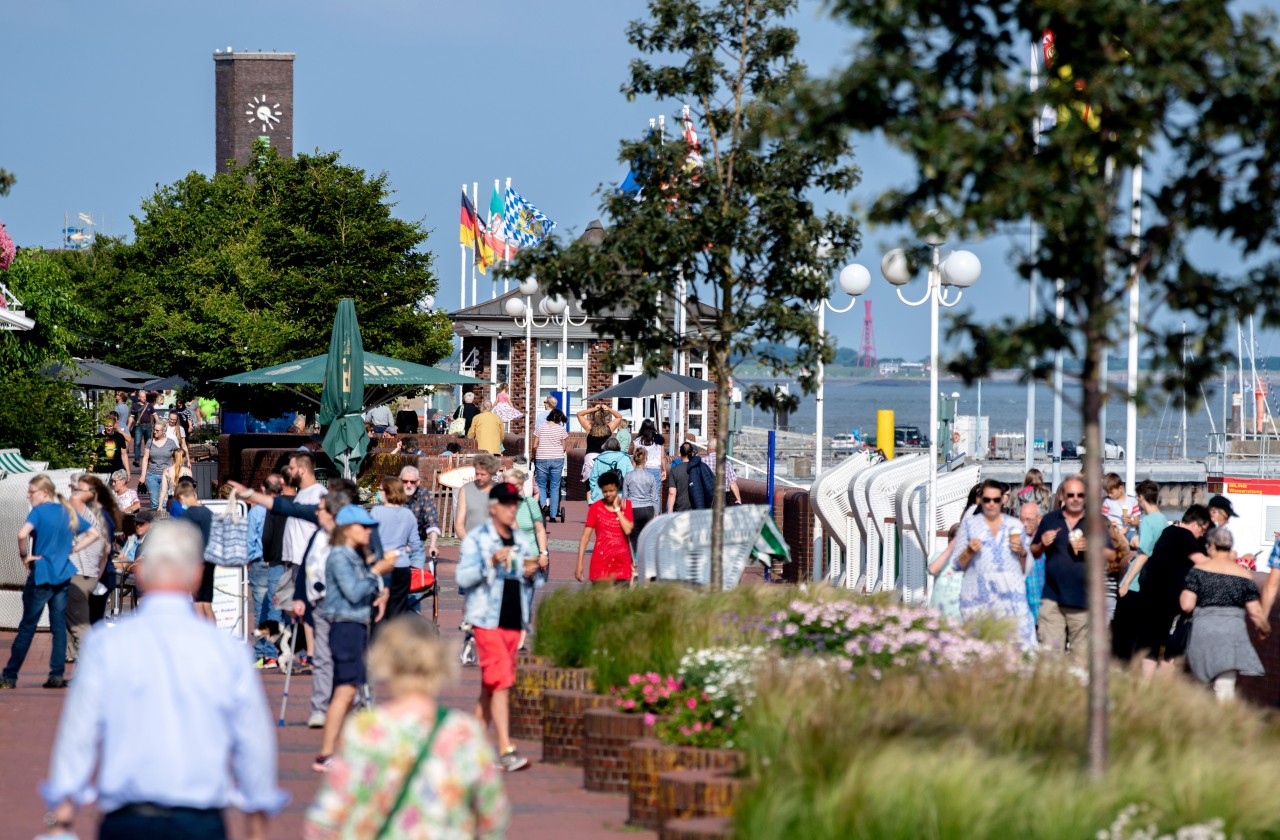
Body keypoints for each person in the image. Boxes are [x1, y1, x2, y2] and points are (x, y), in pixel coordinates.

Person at [40, 518, 288, 840]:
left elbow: (79, 733)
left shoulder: (105, 644)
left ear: (142, 573)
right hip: (201, 819)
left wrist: (63, 813)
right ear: (197, 575)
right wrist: (257, 818)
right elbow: (253, 740)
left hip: (127, 818)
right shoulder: (226, 651)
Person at [304, 616, 509, 839]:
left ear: (386, 662)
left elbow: (324, 821)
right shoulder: (465, 733)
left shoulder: (365, 732)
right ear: (440, 663)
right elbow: (493, 817)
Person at [456, 482, 548, 772]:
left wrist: (529, 571)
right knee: (502, 683)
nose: (512, 509)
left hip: (511, 620)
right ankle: (505, 749)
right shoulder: (477, 539)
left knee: (491, 686)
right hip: (486, 620)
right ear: (493, 507)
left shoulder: (520, 540)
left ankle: (466, 750)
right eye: (507, 504)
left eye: (515, 504)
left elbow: (522, 579)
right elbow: (463, 577)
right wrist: (489, 561)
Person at [314, 505, 398, 772]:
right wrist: (377, 572)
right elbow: (352, 591)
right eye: (363, 527)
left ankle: (337, 748)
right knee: (346, 688)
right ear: (348, 529)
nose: (368, 531)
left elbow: (362, 588)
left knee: (349, 689)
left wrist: (379, 591)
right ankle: (326, 752)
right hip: (345, 624)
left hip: (355, 623)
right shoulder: (340, 556)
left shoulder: (354, 555)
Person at [2, 475, 96, 689]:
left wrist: (24, 556)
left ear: (44, 492)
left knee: (27, 626)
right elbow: (93, 533)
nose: (29, 495)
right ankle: (56, 675)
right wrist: (71, 549)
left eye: (31, 491)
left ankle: (9, 676)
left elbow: (21, 534)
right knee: (58, 625)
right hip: (62, 573)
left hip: (42, 573)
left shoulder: (39, 512)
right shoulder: (67, 511)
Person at [1028, 475, 1114, 658]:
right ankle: (1051, 686)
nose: (1075, 499)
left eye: (1080, 495)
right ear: (1063, 496)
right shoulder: (1050, 520)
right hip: (1052, 598)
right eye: (1071, 495)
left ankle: (1075, 686)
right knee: (1050, 654)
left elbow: (1111, 554)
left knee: (1081, 656)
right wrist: (1042, 543)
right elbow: (1034, 551)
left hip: (1083, 597)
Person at [1120, 504, 1212, 671]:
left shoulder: (1168, 531)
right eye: (1203, 529)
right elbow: (1200, 560)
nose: (1202, 534)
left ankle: (1144, 686)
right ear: (1195, 524)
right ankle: (1163, 689)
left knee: (1150, 645)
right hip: (1169, 602)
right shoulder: (1185, 535)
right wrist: (1227, 566)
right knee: (1170, 650)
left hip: (1151, 597)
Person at [1181, 526, 1268, 702]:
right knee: (1225, 686)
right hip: (1232, 632)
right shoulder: (1243, 574)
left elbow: (1187, 605)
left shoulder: (1200, 570)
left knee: (1200, 682)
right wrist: (1264, 628)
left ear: (1211, 546)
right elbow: (1255, 611)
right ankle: (1225, 724)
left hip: (1203, 629)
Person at [954, 479, 1034, 648]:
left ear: (1002, 500)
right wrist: (969, 551)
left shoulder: (1015, 525)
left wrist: (1021, 552)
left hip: (1008, 601)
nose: (991, 504)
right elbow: (957, 564)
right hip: (977, 601)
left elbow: (1025, 568)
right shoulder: (969, 525)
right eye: (987, 500)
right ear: (981, 499)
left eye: (996, 500)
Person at [66, 474, 118, 654]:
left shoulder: (99, 515)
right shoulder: (88, 513)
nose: (77, 493)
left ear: (93, 493)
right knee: (86, 622)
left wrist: (95, 577)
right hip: (94, 574)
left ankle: (94, 663)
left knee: (91, 624)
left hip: (98, 575)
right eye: (76, 489)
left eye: (81, 490)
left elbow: (105, 549)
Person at [248, 474, 287, 667]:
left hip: (260, 561)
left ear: (263, 490)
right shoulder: (284, 509)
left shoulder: (256, 511)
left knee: (260, 609)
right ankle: (274, 652)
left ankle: (262, 653)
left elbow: (251, 538)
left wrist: (249, 558)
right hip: (279, 562)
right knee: (275, 607)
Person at [372, 477, 423, 622]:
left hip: (382, 565)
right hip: (402, 566)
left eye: (381, 490)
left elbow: (371, 539)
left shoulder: (377, 512)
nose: (380, 493)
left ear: (387, 492)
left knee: (379, 609)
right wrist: (402, 548)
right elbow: (415, 545)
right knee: (399, 610)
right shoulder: (408, 514)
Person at [576, 470, 635, 585]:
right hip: (600, 565)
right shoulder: (596, 508)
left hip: (622, 565)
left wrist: (617, 509)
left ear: (617, 488)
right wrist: (579, 564)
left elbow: (628, 530)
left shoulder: (626, 505)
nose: (608, 494)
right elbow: (585, 538)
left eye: (611, 491)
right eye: (605, 491)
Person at [170, 483, 217, 621]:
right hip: (210, 560)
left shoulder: (187, 515)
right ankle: (214, 638)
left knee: (197, 603)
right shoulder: (208, 512)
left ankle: (201, 638)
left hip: (195, 562)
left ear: (182, 497)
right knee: (207, 603)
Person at [1119, 479, 1168, 597]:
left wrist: (1126, 583)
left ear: (1141, 497)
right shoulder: (1162, 519)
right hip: (1153, 578)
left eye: (1137, 497)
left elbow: (1144, 554)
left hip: (1137, 582)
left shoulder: (1146, 521)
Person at [533, 408, 569, 521]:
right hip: (557, 459)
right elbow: (564, 447)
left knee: (541, 485)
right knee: (555, 486)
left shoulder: (540, 427)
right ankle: (553, 515)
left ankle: (543, 505)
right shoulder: (561, 429)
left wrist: (534, 456)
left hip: (542, 458)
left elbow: (534, 445)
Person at [623, 447, 660, 553]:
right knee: (647, 537)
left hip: (633, 508)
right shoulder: (650, 477)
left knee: (634, 538)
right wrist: (656, 513)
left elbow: (625, 497)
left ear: (634, 459)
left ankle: (635, 561)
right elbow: (654, 498)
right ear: (646, 459)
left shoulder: (629, 476)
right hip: (648, 508)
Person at [455, 453, 500, 540]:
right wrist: (469, 543)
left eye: (483, 474)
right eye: (477, 473)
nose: (479, 477)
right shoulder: (465, 490)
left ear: (492, 473)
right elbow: (459, 524)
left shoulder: (501, 491)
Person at [139, 422, 180, 512]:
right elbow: (145, 459)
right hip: (152, 475)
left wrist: (174, 472)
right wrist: (143, 476)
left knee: (164, 502)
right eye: (154, 430)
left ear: (163, 431)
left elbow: (177, 457)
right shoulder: (150, 442)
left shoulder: (171, 442)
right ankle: (156, 523)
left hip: (166, 475)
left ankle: (164, 523)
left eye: (157, 430)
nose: (154, 432)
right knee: (154, 502)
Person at [666, 442, 716, 513]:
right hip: (698, 509)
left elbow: (672, 493)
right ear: (692, 453)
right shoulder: (702, 466)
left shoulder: (674, 470)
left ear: (680, 453)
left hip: (681, 509)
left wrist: (669, 511)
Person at [928, 522, 963, 621]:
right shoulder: (939, 557)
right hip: (939, 617)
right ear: (951, 540)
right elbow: (933, 570)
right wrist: (950, 548)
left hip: (961, 618)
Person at [1019, 502, 1045, 623]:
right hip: (1023, 607)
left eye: (1029, 520)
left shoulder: (1046, 540)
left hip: (1043, 605)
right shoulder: (1016, 541)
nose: (1024, 524)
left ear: (1039, 519)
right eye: (1022, 519)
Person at [588, 437, 633, 502]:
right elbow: (630, 476)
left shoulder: (599, 460)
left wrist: (595, 493)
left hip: (601, 495)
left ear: (606, 446)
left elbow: (593, 478)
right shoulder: (625, 458)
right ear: (618, 446)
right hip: (620, 496)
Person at [700, 438, 743, 506]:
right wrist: (738, 499)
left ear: (708, 448)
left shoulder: (702, 461)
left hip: (706, 496)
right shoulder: (726, 463)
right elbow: (732, 483)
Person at [93, 413, 130, 483]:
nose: (108, 428)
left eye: (110, 426)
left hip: (116, 472)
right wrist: (91, 470)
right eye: (106, 426)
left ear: (114, 426)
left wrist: (128, 471)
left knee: (115, 492)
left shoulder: (119, 437)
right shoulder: (98, 438)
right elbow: (94, 455)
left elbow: (124, 455)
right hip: (102, 472)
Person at [633, 419, 667, 489]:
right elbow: (662, 457)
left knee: (642, 493)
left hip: (642, 468)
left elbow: (635, 458)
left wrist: (634, 470)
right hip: (655, 468)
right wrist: (664, 470)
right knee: (656, 493)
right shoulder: (659, 439)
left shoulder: (638, 440)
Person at [157, 447, 192, 513]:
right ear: (184, 458)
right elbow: (190, 490)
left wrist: (160, 505)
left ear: (172, 458)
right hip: (184, 501)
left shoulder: (167, 471)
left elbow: (163, 491)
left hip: (171, 501)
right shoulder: (187, 471)